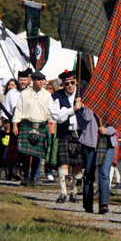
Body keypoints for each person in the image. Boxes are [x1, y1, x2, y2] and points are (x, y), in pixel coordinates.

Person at [49, 70, 85, 204]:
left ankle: (73, 193)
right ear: (63, 84)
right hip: (65, 133)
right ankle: (62, 193)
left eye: (72, 82)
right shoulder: (56, 96)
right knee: (63, 163)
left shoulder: (84, 93)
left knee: (78, 164)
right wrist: (73, 109)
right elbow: (58, 117)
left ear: (76, 81)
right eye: (67, 83)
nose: (70, 86)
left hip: (80, 133)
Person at [12, 70, 51, 186]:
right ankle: (25, 177)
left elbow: (51, 112)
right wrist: (15, 124)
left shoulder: (48, 95)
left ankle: (33, 178)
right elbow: (18, 109)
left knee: (36, 154)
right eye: (39, 80)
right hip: (26, 124)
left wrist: (52, 125)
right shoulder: (24, 93)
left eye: (42, 80)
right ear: (33, 80)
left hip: (41, 125)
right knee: (25, 154)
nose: (41, 82)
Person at [80, 107, 118, 214]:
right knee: (88, 175)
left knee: (104, 174)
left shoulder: (113, 104)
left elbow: (118, 124)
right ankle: (88, 205)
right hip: (90, 143)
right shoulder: (88, 103)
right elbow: (86, 117)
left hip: (107, 142)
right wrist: (90, 105)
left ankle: (103, 204)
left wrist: (107, 130)